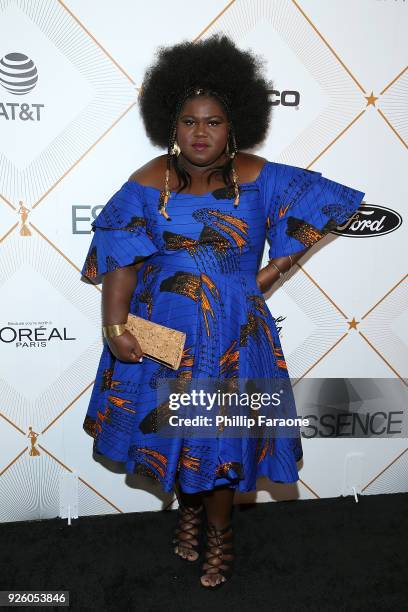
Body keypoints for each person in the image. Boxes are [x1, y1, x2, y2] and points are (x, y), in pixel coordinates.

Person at [81, 34, 365, 589]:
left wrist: (266, 275)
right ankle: (189, 513)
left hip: (232, 336)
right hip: (158, 335)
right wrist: (115, 325)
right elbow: (120, 256)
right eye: (189, 121)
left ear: (234, 124)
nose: (200, 132)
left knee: (221, 439)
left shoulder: (263, 177)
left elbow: (325, 205)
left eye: (213, 121)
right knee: (181, 433)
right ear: (172, 123)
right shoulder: (148, 180)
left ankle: (221, 534)